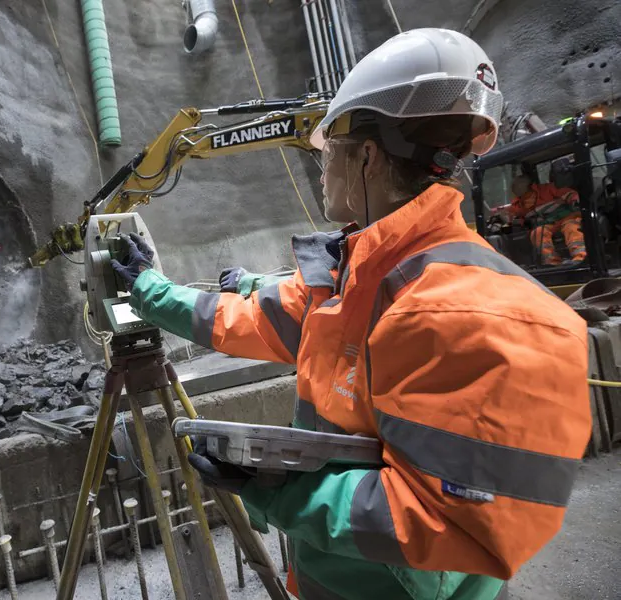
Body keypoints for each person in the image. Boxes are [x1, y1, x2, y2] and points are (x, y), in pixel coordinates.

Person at [111, 28, 590, 600]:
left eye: (327, 150)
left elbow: (446, 525)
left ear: (366, 156)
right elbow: (242, 319)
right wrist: (148, 289)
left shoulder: (470, 314)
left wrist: (277, 488)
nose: (319, 166)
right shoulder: (356, 280)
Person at [508, 174, 587, 265]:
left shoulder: (547, 189)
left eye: (517, 185)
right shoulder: (518, 203)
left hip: (567, 218)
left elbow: (570, 194)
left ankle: (580, 258)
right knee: (537, 233)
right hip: (548, 224)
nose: (514, 188)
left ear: (528, 185)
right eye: (513, 186)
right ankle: (552, 262)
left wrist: (574, 200)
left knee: (571, 228)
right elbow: (516, 216)